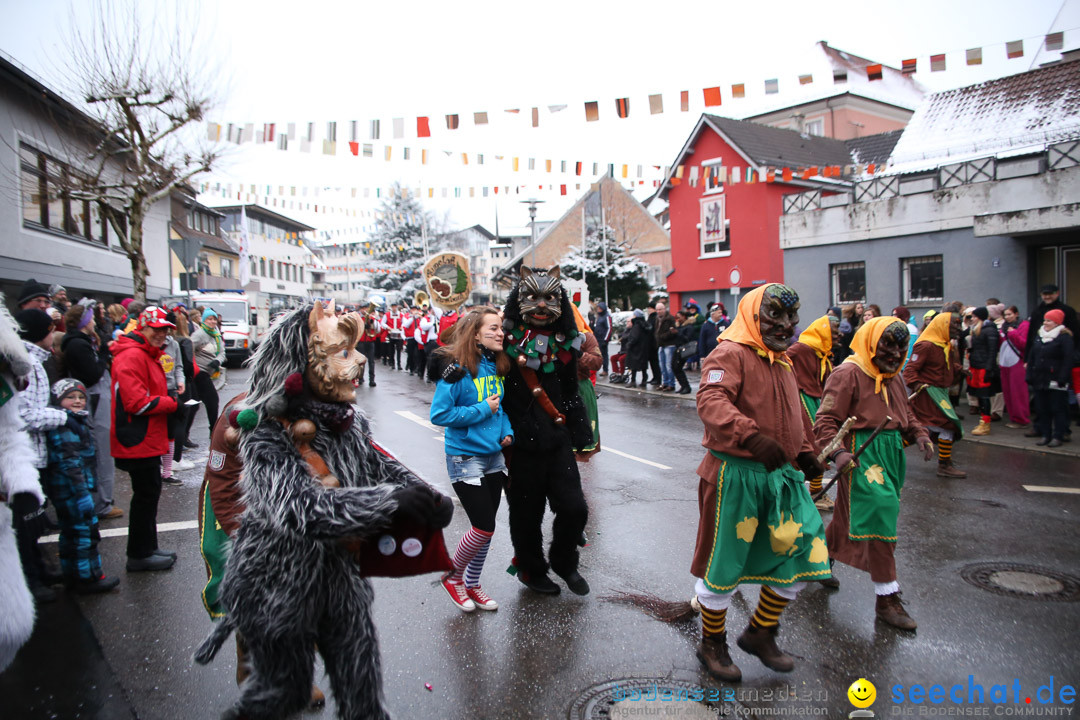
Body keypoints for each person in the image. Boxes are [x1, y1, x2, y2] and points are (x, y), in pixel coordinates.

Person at [691, 283, 829, 682]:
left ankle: (760, 632)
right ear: (753, 315)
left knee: (802, 556)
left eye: (792, 316)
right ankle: (711, 644)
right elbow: (711, 400)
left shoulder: (783, 360)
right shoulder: (729, 353)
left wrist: (805, 450)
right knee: (725, 565)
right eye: (776, 315)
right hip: (737, 478)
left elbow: (795, 414)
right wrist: (748, 435)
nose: (786, 325)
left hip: (781, 480)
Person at [814, 318, 934, 630]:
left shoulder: (893, 376)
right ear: (869, 342)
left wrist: (920, 433)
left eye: (901, 347)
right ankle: (887, 598)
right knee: (881, 520)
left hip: (891, 455)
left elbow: (904, 413)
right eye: (888, 346)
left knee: (847, 518)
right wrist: (838, 453)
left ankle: (816, 559)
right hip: (861, 455)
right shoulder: (848, 373)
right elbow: (825, 420)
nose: (895, 354)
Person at [500, 267, 593, 596]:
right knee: (526, 514)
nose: (541, 305)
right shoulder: (502, 341)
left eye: (549, 298)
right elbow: (472, 365)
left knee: (575, 508)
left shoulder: (564, 345)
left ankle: (565, 563)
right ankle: (531, 569)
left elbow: (570, 392)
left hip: (557, 441)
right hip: (518, 444)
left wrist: (581, 430)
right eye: (533, 298)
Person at [429, 308, 514, 612]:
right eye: (493, 328)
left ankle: (473, 583)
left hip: (493, 458)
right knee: (483, 527)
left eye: (501, 328)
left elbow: (499, 408)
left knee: (486, 529)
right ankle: (453, 577)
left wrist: (507, 432)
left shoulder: (493, 367)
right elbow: (439, 415)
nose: (500, 333)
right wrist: (482, 410)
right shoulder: (458, 372)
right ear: (475, 334)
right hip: (465, 457)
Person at [110, 306, 179, 572]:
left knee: (149, 493)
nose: (162, 334)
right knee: (145, 495)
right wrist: (171, 404)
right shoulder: (132, 356)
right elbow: (136, 403)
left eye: (165, 330)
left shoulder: (146, 354)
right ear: (143, 328)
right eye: (157, 329)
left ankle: (148, 547)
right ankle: (139, 554)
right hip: (136, 438)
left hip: (145, 438)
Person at [42, 379, 120, 594]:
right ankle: (87, 578)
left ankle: (71, 574)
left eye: (81, 397)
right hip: (73, 489)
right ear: (58, 400)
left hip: (68, 488)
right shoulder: (66, 424)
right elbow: (70, 462)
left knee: (71, 532)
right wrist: (81, 491)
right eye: (70, 397)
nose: (77, 401)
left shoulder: (73, 420)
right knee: (84, 532)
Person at [14, 308, 68, 602]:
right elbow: (24, 415)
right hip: (26, 457)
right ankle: (30, 580)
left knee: (33, 520)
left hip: (33, 454)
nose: (54, 334)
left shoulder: (34, 360)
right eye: (50, 330)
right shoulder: (28, 364)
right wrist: (62, 416)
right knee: (26, 521)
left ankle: (40, 569)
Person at [903, 312, 967, 478]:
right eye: (955, 325)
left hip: (940, 394)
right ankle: (944, 465)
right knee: (947, 425)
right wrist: (918, 386)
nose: (958, 329)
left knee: (925, 430)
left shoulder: (944, 345)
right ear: (943, 326)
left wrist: (960, 370)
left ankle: (886, 453)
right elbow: (910, 370)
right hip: (928, 395)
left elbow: (944, 367)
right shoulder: (926, 345)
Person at [787, 314, 840, 510]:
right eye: (834, 332)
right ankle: (813, 493)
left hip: (815, 400)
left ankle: (814, 491)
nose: (839, 335)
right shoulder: (802, 348)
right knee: (812, 445)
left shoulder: (823, 352)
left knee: (821, 443)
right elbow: (783, 362)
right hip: (801, 399)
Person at [1027, 309, 1074, 447]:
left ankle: (1058, 436)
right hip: (1040, 379)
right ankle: (1045, 435)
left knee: (1057, 409)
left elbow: (1068, 359)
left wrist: (1062, 378)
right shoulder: (1039, 335)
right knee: (1042, 409)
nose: (1045, 323)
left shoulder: (1064, 337)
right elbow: (1032, 356)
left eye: (1049, 320)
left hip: (1056, 380)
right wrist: (1030, 374)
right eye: (1045, 320)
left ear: (1057, 322)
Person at [158, 313, 186, 485]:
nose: (162, 334)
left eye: (165, 330)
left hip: (171, 391)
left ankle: (167, 471)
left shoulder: (173, 344)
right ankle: (156, 469)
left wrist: (180, 381)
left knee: (170, 431)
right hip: (155, 393)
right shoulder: (149, 347)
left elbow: (178, 366)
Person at [191, 309, 226, 442]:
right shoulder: (199, 334)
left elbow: (222, 352)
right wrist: (193, 366)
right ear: (203, 320)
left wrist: (217, 361)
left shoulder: (216, 334)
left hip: (209, 371)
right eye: (209, 319)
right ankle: (213, 432)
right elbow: (188, 348)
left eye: (214, 319)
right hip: (199, 372)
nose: (212, 322)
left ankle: (184, 436)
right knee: (212, 401)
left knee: (194, 406)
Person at [170, 309, 198, 469]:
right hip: (183, 384)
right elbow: (186, 365)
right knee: (182, 418)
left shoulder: (169, 342)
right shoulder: (184, 341)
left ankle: (169, 459)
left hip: (169, 385)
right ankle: (176, 458)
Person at [966, 307, 1000, 436]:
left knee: (984, 395)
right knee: (979, 395)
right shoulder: (976, 329)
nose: (972, 319)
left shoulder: (989, 330)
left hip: (983, 368)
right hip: (976, 366)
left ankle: (985, 423)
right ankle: (982, 421)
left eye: (974, 317)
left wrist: (989, 369)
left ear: (980, 317)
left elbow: (992, 351)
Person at [999, 306, 1030, 428]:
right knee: (1008, 392)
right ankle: (1014, 417)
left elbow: (1024, 344)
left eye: (1009, 314)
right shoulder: (1003, 327)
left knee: (1018, 392)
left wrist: (1013, 333)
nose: (1007, 317)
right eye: (1005, 315)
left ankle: (1021, 419)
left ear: (1016, 314)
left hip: (1017, 362)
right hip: (1005, 362)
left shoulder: (1024, 325)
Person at [621, 309, 650, 388]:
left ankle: (633, 381)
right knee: (643, 365)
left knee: (633, 365)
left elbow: (634, 337)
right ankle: (644, 380)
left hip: (635, 348)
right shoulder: (645, 324)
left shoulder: (636, 325)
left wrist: (629, 344)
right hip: (643, 348)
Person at [671, 310, 697, 394]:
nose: (677, 319)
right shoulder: (679, 326)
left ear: (684, 317)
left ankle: (686, 386)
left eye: (679, 317)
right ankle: (683, 386)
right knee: (674, 367)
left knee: (678, 367)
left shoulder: (689, 327)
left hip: (684, 349)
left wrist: (677, 333)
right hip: (677, 348)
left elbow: (687, 339)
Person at [654, 301, 678, 391]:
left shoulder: (670, 318)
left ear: (664, 309)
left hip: (669, 344)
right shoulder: (657, 319)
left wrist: (662, 336)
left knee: (668, 365)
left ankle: (671, 384)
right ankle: (665, 382)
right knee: (662, 365)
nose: (658, 311)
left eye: (660, 309)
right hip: (660, 344)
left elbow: (672, 331)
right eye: (657, 310)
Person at [357, 308, 380, 387]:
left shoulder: (372, 318)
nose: (364, 310)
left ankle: (372, 380)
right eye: (362, 309)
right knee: (361, 361)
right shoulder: (359, 319)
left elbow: (378, 329)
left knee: (371, 361)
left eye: (365, 309)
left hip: (370, 341)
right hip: (361, 342)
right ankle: (360, 378)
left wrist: (373, 321)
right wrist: (363, 325)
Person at [383, 303, 406, 370]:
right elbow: (383, 323)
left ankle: (399, 364)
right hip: (391, 334)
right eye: (393, 307)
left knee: (399, 350)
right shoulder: (387, 315)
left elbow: (404, 322)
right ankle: (392, 363)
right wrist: (387, 327)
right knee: (391, 350)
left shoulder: (401, 315)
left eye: (395, 307)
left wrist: (402, 326)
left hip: (399, 335)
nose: (394, 308)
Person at [593, 301, 612, 376]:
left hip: (603, 339)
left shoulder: (607, 316)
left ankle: (605, 370)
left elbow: (609, 328)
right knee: (596, 354)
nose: (598, 309)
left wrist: (606, 340)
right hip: (597, 338)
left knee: (604, 355)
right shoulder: (599, 316)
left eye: (600, 308)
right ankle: (595, 368)